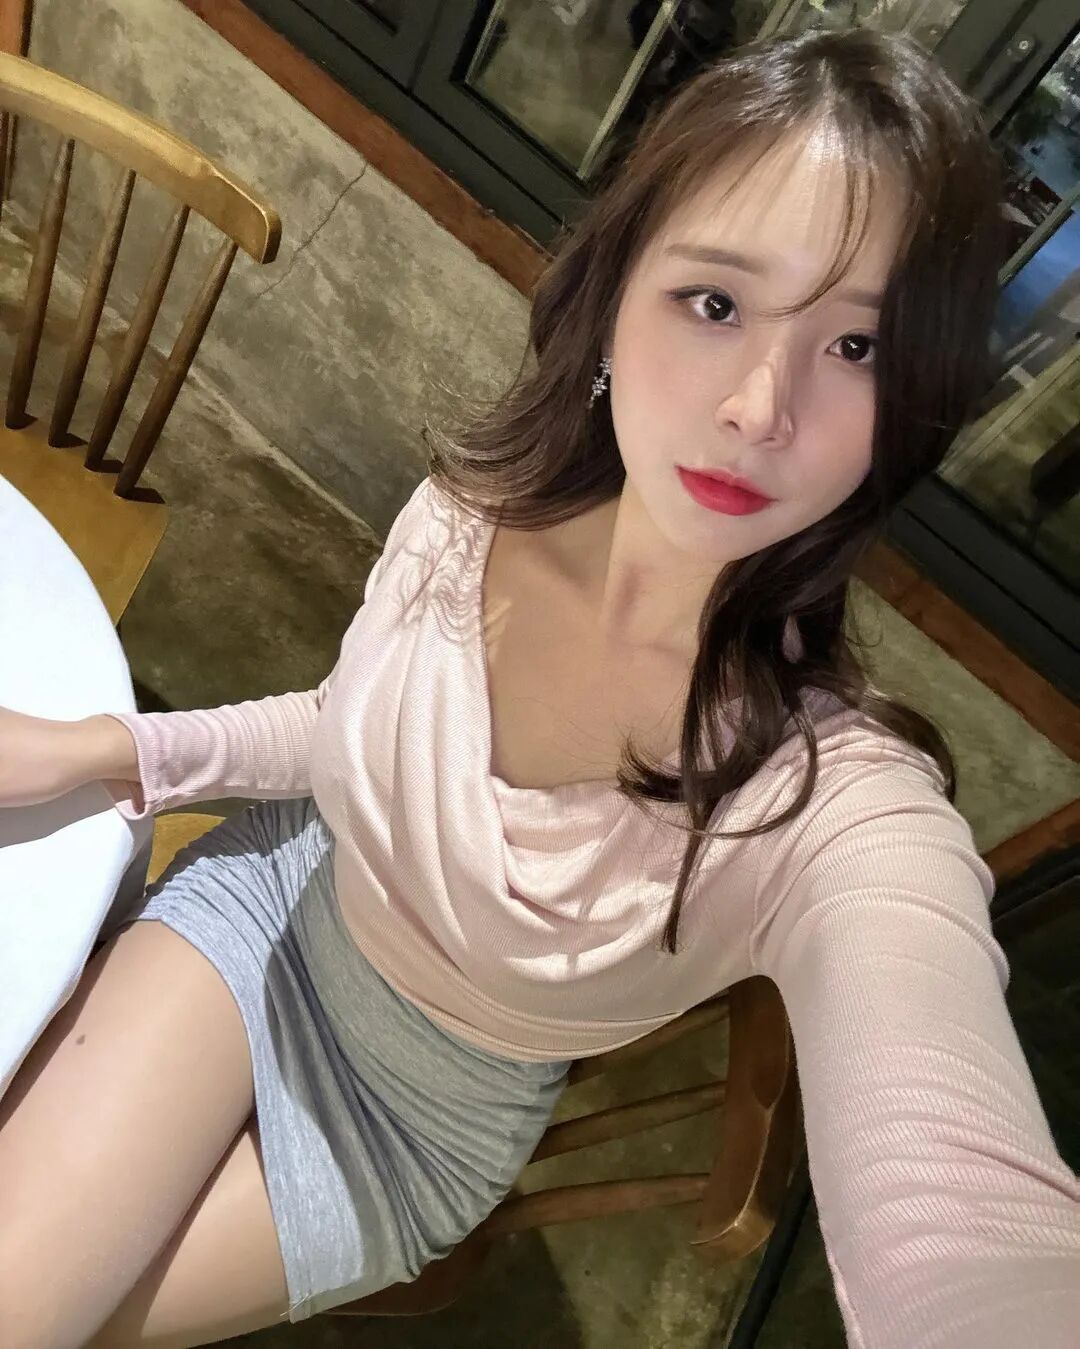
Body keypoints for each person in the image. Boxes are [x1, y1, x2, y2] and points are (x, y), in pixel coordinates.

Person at [0, 25, 1077, 1349]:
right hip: (281, 902)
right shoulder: (473, 512)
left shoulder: (821, 804)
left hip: (411, 1126)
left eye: (857, 347)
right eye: (718, 303)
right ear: (618, 292)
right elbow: (353, 728)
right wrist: (106, 747)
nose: (762, 404)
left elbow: (967, 1220)